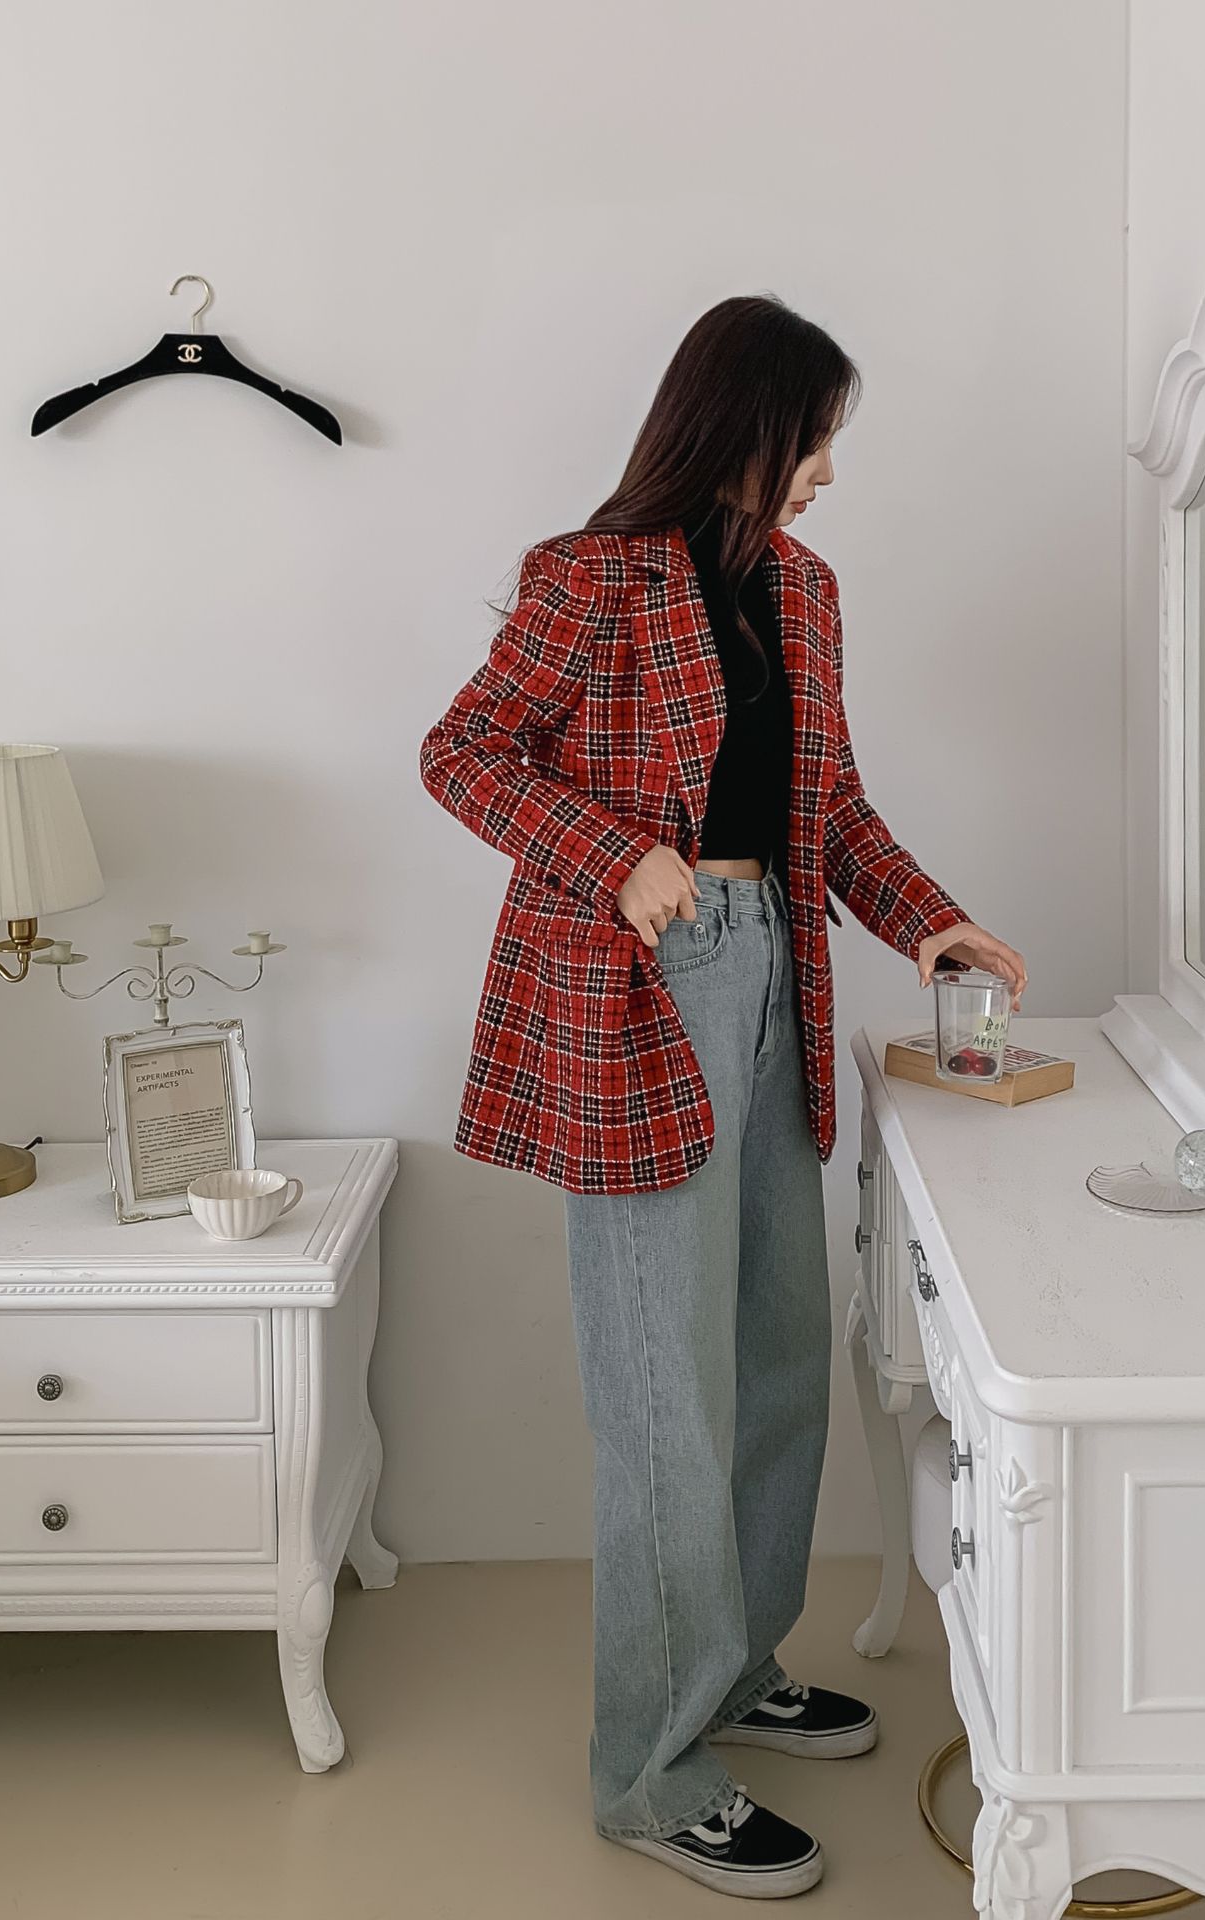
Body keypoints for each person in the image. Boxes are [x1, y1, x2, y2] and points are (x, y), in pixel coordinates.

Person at [419, 293, 1027, 1900]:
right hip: (639, 990)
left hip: (773, 978)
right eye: (816, 437)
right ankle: (649, 1770)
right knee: (662, 1404)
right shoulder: (591, 576)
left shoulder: (804, 592)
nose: (828, 470)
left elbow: (832, 808)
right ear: (748, 425)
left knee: (774, 1358)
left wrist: (931, 921)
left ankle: (736, 1668)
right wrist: (616, 854)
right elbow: (465, 753)